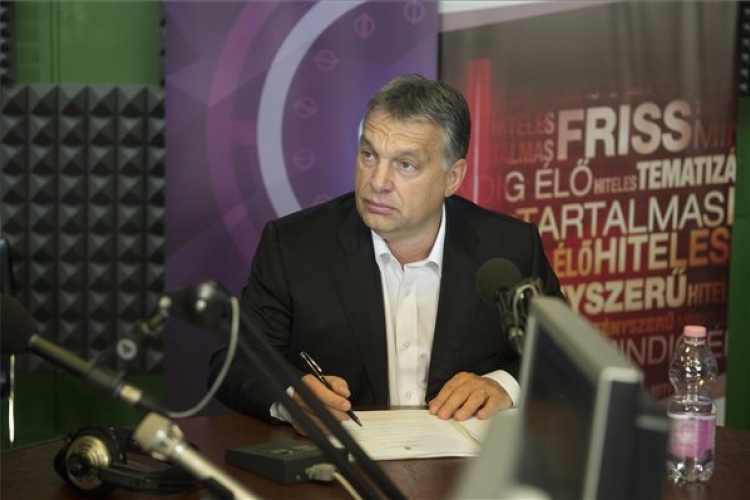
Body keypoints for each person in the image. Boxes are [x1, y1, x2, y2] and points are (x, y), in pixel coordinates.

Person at [209, 74, 563, 432]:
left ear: (452, 177)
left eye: (405, 164)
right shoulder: (294, 246)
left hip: (466, 462)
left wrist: (504, 385)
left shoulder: (509, 248)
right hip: (342, 459)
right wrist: (291, 397)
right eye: (369, 155)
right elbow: (235, 362)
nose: (377, 182)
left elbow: (563, 357)